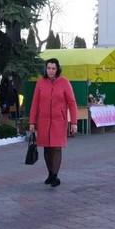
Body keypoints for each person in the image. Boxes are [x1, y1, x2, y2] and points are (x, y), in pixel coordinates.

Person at [28, 58, 78, 187]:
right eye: (49, 68)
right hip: (43, 121)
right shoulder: (40, 83)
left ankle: (55, 176)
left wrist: (74, 122)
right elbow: (35, 103)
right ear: (45, 69)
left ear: (57, 69)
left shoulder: (64, 82)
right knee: (47, 148)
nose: (51, 71)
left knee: (56, 147)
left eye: (53, 68)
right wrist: (32, 122)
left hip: (59, 121)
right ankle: (50, 173)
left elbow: (72, 103)